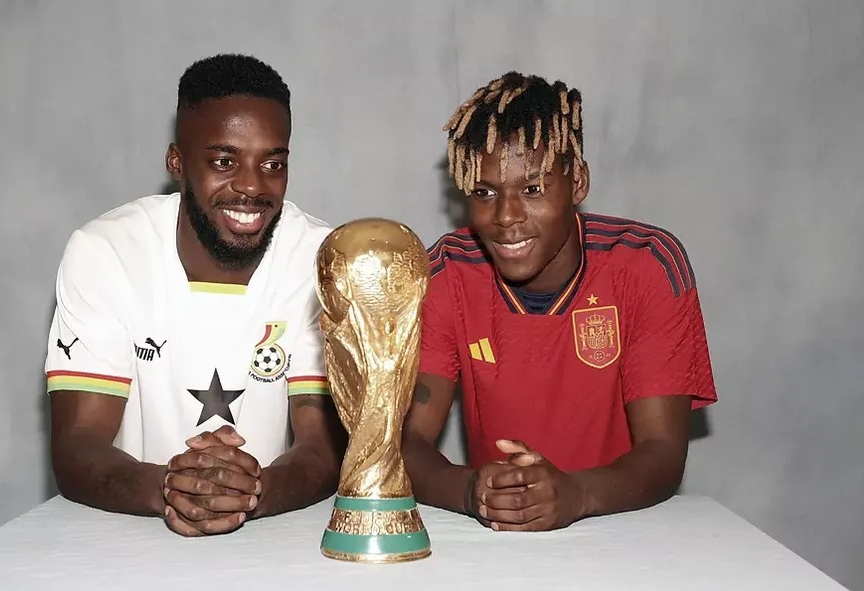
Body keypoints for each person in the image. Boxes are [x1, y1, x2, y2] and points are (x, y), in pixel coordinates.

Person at [402, 71, 717, 531]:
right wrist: (470, 491)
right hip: (499, 539)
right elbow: (406, 443)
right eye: (485, 193)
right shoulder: (446, 274)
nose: (506, 216)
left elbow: (663, 453)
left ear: (579, 182)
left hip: (623, 532)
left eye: (532, 189)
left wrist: (575, 494)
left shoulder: (647, 264)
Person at [45, 54, 343, 536]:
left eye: (272, 164)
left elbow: (324, 445)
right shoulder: (106, 251)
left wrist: (254, 492)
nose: (251, 185)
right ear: (177, 163)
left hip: (271, 543)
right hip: (127, 542)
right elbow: (77, 443)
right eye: (224, 161)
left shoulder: (321, 257)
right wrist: (169, 489)